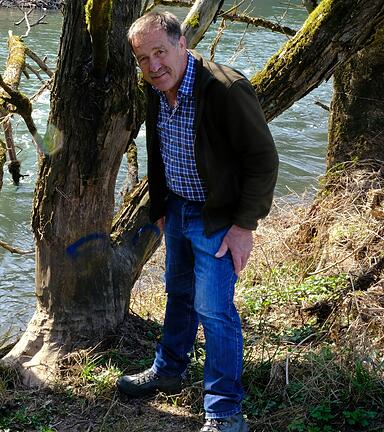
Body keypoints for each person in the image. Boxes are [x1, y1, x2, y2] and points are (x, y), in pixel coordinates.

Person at [116, 11, 278, 432]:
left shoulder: (226, 89)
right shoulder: (156, 88)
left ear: (182, 43)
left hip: (219, 219)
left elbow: (263, 161)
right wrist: (162, 204)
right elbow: (160, 146)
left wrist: (244, 227)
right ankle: (168, 370)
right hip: (179, 209)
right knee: (179, 293)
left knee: (214, 309)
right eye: (143, 58)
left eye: (160, 52)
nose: (153, 66)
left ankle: (225, 412)